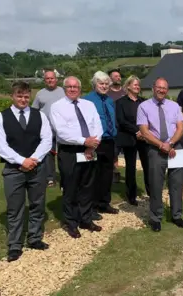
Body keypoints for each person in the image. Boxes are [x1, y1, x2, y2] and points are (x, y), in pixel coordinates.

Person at [0, 81, 53, 262]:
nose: (23, 99)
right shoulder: (0, 117)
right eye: (19, 96)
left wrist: (33, 159)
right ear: (13, 96)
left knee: (37, 204)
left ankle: (34, 238)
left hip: (37, 167)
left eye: (26, 96)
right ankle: (15, 245)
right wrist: (22, 161)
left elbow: (47, 140)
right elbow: (0, 145)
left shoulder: (39, 116)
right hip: (13, 170)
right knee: (15, 208)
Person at [50, 76, 104, 238]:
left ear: (80, 89)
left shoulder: (89, 105)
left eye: (76, 87)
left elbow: (97, 125)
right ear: (64, 88)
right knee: (71, 187)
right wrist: (84, 141)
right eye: (69, 87)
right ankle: (71, 222)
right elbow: (62, 131)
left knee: (87, 186)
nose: (73, 89)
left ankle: (86, 219)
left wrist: (92, 144)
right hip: (70, 151)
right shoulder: (57, 107)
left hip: (89, 149)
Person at [137, 77, 183, 232]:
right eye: (159, 87)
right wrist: (161, 145)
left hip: (175, 146)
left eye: (164, 88)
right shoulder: (143, 106)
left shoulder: (174, 106)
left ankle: (177, 215)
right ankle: (155, 218)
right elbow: (144, 131)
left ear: (167, 89)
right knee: (156, 184)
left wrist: (170, 143)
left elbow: (180, 128)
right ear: (153, 88)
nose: (161, 90)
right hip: (155, 148)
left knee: (177, 183)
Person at [84, 71, 119, 215]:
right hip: (96, 142)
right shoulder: (87, 100)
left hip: (109, 140)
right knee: (93, 175)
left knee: (107, 174)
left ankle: (104, 203)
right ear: (94, 84)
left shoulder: (110, 100)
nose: (104, 86)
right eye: (101, 83)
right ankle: (92, 206)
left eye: (106, 84)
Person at [116, 75, 151, 205]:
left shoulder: (144, 102)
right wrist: (136, 131)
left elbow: (149, 118)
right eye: (135, 84)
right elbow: (121, 121)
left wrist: (144, 132)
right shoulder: (120, 102)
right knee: (130, 168)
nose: (137, 87)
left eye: (138, 84)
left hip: (144, 138)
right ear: (128, 86)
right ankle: (131, 196)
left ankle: (151, 192)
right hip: (129, 138)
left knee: (147, 166)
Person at [32, 69, 65, 187]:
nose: (50, 80)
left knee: (63, 153)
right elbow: (34, 111)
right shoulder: (40, 93)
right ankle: (50, 178)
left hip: (62, 128)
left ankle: (65, 178)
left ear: (56, 79)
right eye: (47, 78)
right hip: (46, 129)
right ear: (44, 80)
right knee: (48, 154)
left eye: (52, 78)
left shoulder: (63, 91)